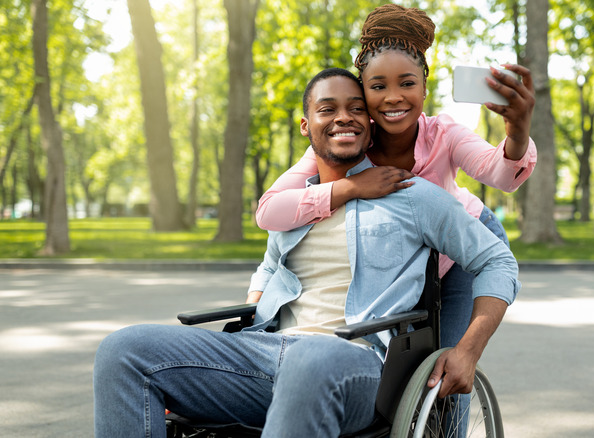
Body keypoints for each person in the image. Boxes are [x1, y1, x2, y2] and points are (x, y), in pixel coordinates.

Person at [93, 68, 519, 437]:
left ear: (370, 124)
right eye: (327, 109)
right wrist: (251, 314)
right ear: (306, 125)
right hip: (265, 352)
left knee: (311, 357)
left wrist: (467, 350)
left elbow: (497, 260)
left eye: (356, 108)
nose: (343, 117)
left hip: (355, 362)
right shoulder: (295, 204)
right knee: (124, 350)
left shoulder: (411, 196)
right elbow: (268, 268)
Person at [254, 4, 536, 355]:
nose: (393, 97)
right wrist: (351, 187)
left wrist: (517, 132)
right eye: (378, 86)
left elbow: (502, 176)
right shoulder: (349, 139)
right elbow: (269, 210)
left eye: (407, 83)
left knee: (444, 359)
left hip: (462, 244)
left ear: (424, 88)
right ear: (364, 94)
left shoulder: (444, 134)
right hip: (405, 253)